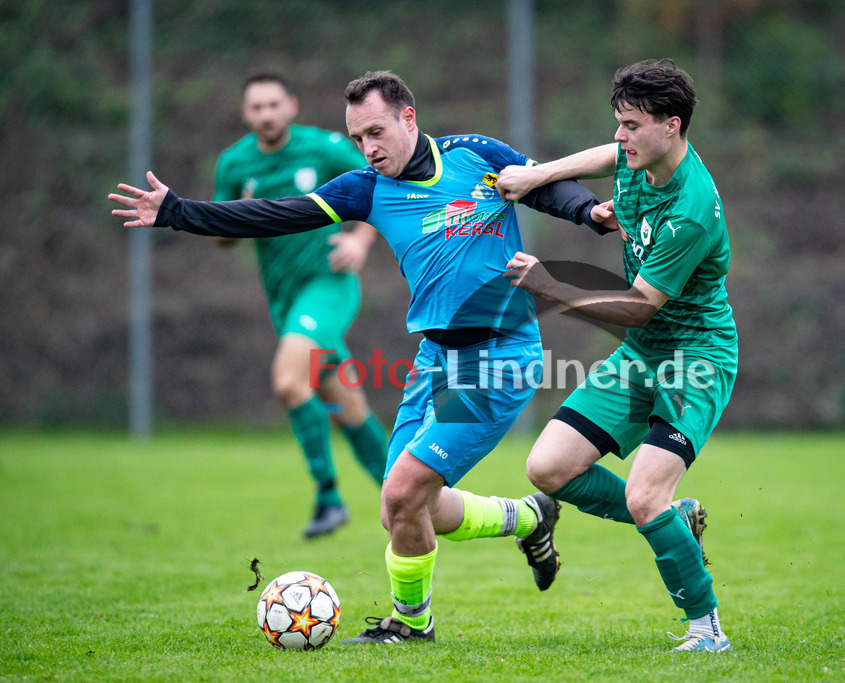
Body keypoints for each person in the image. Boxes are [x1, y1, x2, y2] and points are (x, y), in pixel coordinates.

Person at [110, 70, 617, 644]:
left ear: (408, 118)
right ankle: (528, 518)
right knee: (404, 510)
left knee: (403, 490)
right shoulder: (365, 189)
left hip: (501, 357)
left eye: (376, 131)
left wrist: (589, 213)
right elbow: (274, 214)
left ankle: (411, 625)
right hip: (434, 360)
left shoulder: (477, 155)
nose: (369, 148)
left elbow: (546, 186)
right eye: (358, 139)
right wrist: (178, 212)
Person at [497, 58, 738, 653]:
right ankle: (674, 524)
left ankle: (707, 632)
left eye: (631, 125)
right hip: (643, 354)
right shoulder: (639, 160)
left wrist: (548, 284)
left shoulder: (690, 211)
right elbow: (606, 161)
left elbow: (637, 307)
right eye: (618, 123)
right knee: (548, 469)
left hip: (694, 358)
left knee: (642, 493)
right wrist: (537, 176)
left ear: (672, 126)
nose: (620, 136)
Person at [212, 73, 388, 539]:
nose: (267, 114)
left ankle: (328, 497)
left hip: (328, 286)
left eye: (274, 104)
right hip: (286, 300)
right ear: (246, 114)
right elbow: (220, 238)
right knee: (347, 404)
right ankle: (407, 494)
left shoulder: (324, 149)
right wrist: (238, 216)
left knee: (290, 383)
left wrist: (361, 241)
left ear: (290, 105)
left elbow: (378, 190)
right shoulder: (235, 164)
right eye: (257, 107)